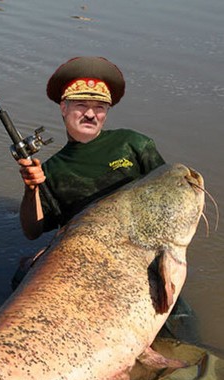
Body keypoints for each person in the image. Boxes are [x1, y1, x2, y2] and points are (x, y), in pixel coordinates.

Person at [18, 56, 165, 241]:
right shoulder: (49, 170)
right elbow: (32, 232)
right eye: (81, 105)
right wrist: (31, 190)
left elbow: (168, 192)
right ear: (64, 108)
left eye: (99, 107)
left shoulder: (133, 143)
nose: (90, 114)